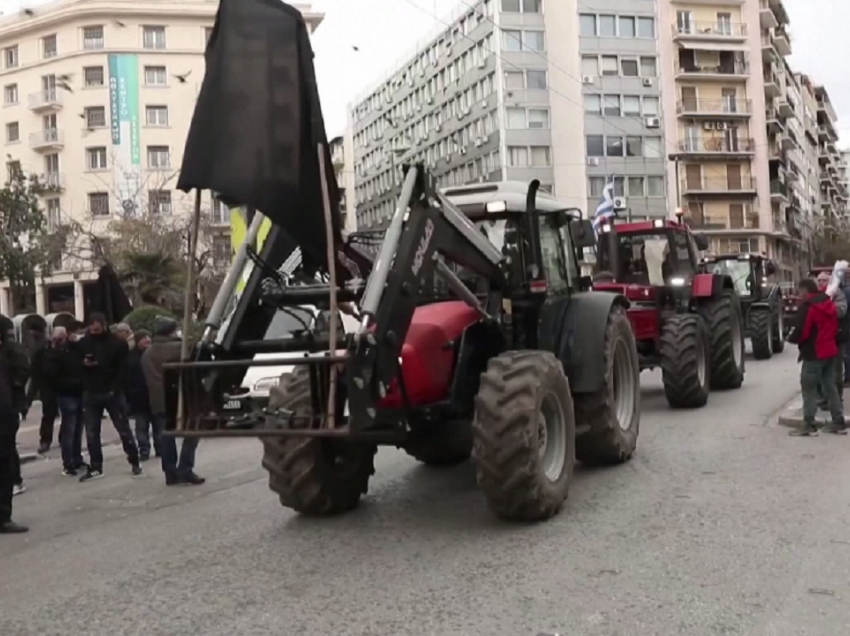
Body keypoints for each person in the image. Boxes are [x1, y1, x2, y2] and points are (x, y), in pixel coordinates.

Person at [77, 313, 142, 482]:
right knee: (92, 432)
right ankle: (96, 466)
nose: (95, 332)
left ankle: (134, 460)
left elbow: (124, 369)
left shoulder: (117, 344)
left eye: (98, 329)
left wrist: (116, 387)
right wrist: (84, 365)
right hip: (91, 390)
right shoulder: (84, 343)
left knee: (123, 429)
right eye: (92, 329)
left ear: (104, 326)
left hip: (111, 390)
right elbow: (75, 363)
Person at [142, 317, 204, 486]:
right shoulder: (179, 348)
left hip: (158, 400)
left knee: (166, 436)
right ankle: (185, 468)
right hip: (179, 398)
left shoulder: (148, 352)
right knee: (192, 432)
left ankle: (170, 472)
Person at [787, 278, 847, 436]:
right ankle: (838, 422)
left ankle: (809, 424)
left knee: (808, 388)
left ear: (806, 291)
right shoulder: (828, 303)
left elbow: (803, 331)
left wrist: (792, 339)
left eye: (800, 291)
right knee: (830, 386)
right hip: (830, 351)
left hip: (814, 352)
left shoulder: (809, 308)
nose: (800, 295)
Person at [44, 327, 87, 476]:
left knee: (77, 428)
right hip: (67, 393)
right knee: (70, 428)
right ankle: (69, 462)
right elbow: (50, 374)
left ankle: (76, 459)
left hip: (78, 392)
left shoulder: (77, 350)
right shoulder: (57, 353)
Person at [0, 324, 28, 533]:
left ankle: (4, 516)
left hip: (4, 423)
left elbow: (14, 387)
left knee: (5, 467)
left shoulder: (6, 359)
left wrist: (17, 410)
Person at [815, 270, 848, 406]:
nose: (820, 283)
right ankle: (824, 397)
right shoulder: (816, 295)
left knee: (835, 371)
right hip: (820, 339)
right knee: (820, 371)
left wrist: (825, 306)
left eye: (823, 280)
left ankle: (836, 400)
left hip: (835, 338)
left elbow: (841, 311)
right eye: (819, 280)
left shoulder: (837, 294)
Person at [124, 330, 157, 461]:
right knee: (141, 426)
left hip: (154, 396)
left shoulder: (154, 354)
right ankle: (144, 450)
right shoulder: (131, 357)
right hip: (139, 397)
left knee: (158, 425)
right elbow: (127, 378)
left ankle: (159, 448)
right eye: (144, 338)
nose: (147, 340)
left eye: (149, 337)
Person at [26, 327, 58, 454]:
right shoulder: (42, 350)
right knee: (49, 415)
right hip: (48, 386)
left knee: (68, 416)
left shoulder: (67, 348)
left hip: (63, 386)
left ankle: (60, 439)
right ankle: (45, 440)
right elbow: (35, 371)